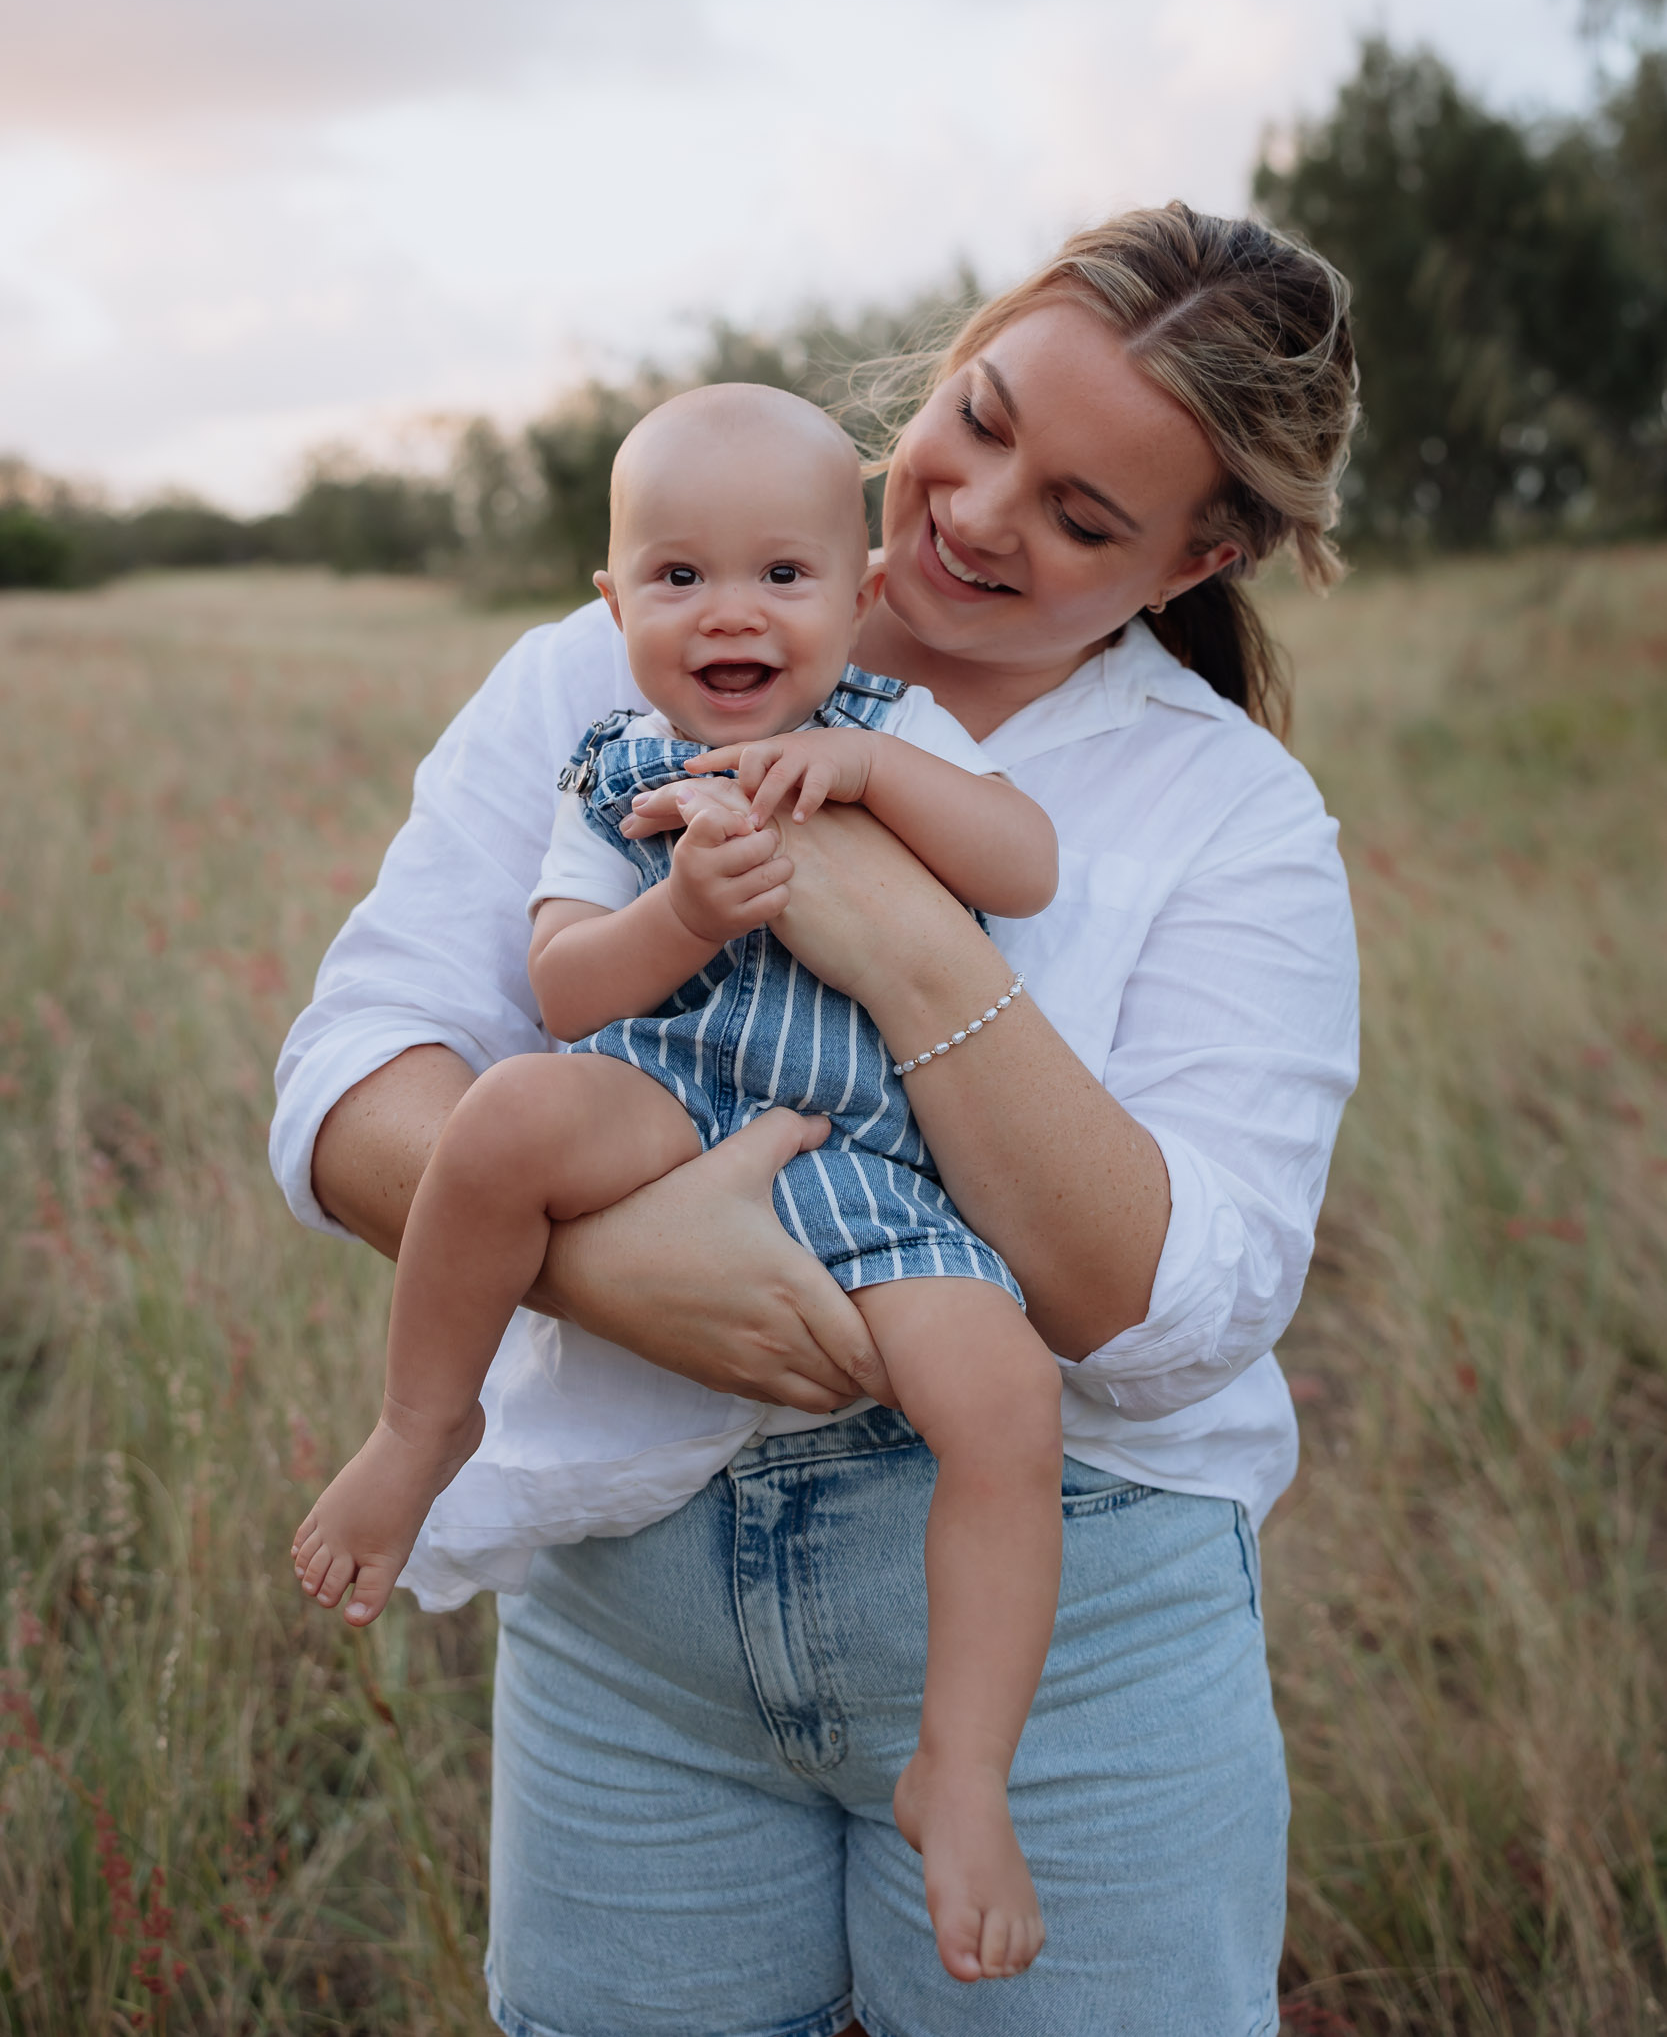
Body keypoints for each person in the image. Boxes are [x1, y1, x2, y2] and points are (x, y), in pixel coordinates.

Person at [272, 203, 1361, 2037]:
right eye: (984, 418)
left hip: (1067, 1638)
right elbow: (358, 1075)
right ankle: (416, 1432)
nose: (979, 511)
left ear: (1207, 551)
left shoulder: (1231, 815)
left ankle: (964, 1773)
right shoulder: (611, 666)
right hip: (636, 1626)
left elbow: (1172, 1316)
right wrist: (624, 1273)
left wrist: (900, 929)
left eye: (1087, 516)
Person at [293, 382, 1064, 1980]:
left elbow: (1022, 864)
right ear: (613, 602)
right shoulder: (609, 760)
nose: (733, 614)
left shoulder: (894, 730)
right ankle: (422, 1426)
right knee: (505, 1117)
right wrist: (685, 916)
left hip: (868, 1153)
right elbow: (569, 986)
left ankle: (963, 1768)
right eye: (679, 578)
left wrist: (865, 782)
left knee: (1005, 1405)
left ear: (858, 591)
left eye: (784, 576)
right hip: (670, 1095)